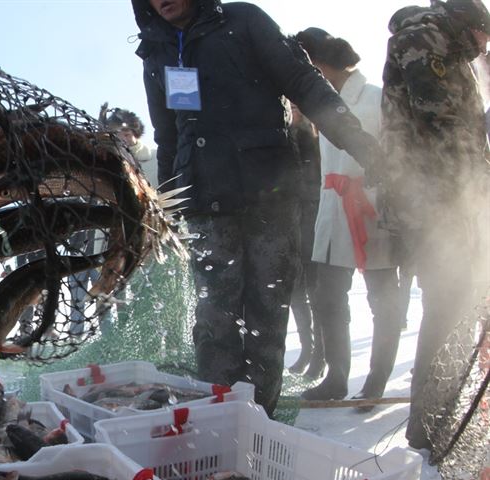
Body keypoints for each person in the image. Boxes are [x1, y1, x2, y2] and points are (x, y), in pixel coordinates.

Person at [133, 0, 383, 416]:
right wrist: (169, 206)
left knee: (267, 312)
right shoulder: (156, 51)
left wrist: (361, 145)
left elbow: (304, 82)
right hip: (204, 204)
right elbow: (168, 133)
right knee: (215, 317)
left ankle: (258, 418)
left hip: (270, 196)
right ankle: (218, 417)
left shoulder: (243, 20)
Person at [379, 0, 490, 449]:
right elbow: (439, 114)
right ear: (472, 26)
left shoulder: (448, 48)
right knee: (447, 308)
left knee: (458, 305)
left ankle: (439, 418)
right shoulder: (424, 39)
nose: (484, 48)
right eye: (485, 37)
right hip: (435, 201)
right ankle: (429, 426)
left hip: (450, 199)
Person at [295, 29, 402, 408]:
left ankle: (377, 377)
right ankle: (336, 375)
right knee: (328, 296)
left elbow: (396, 153)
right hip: (331, 204)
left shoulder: (377, 97)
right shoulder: (319, 105)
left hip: (371, 204)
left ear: (321, 62)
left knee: (383, 297)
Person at [286, 102, 324, 378]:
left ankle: (320, 354)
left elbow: (315, 181)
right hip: (290, 222)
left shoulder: (315, 139)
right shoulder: (285, 138)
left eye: (299, 107)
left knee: (316, 292)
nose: (294, 111)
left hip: (313, 220)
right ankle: (307, 348)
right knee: (297, 294)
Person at [102, 106, 159, 189]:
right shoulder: (104, 165)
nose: (122, 139)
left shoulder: (158, 159)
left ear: (137, 134)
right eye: (114, 135)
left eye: (127, 134)